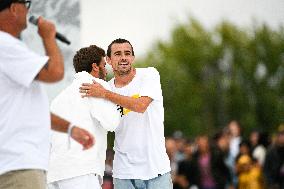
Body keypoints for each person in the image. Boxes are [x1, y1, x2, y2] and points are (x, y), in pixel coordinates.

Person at [0, 1, 93, 188]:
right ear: (14, 9)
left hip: (16, 163)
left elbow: (27, 109)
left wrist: (70, 128)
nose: (28, 10)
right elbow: (55, 72)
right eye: (26, 4)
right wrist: (48, 36)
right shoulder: (4, 43)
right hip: (19, 165)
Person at [80, 38, 172, 189]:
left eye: (127, 53)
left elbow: (140, 106)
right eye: (118, 54)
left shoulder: (149, 75)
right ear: (109, 60)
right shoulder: (105, 89)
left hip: (157, 171)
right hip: (124, 174)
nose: (123, 57)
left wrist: (105, 94)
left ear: (132, 58)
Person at [47, 45, 121, 189]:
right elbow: (112, 123)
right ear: (95, 67)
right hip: (82, 170)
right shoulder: (96, 86)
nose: (106, 70)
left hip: (56, 173)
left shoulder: (59, 98)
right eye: (104, 65)